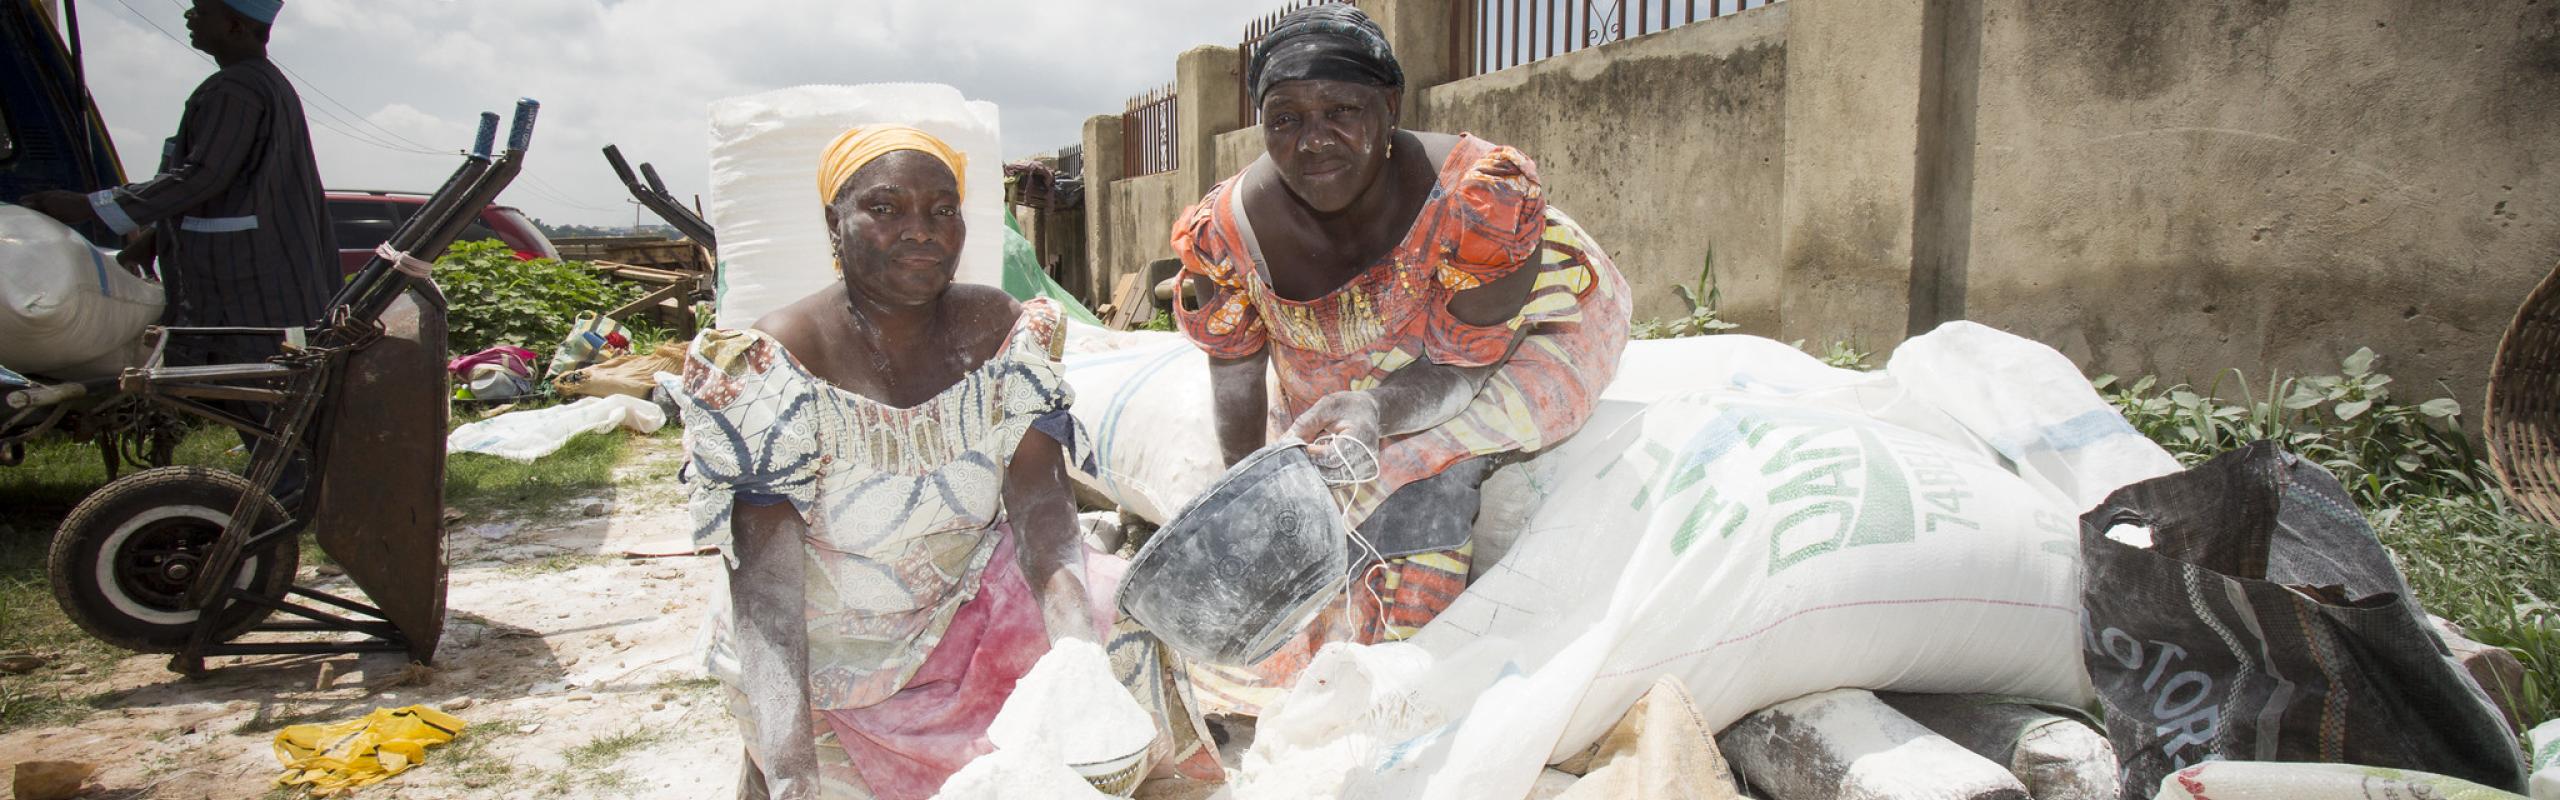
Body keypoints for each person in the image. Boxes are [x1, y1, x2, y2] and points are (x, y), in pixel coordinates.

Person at [670, 125, 1217, 800]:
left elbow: (1043, 511)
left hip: (965, 613)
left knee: (1117, 617)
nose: (921, 230)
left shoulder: (998, 331)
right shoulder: (776, 362)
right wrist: (790, 770)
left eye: (941, 210)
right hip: (830, 662)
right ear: (831, 222)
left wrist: (1076, 659)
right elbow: (767, 591)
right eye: (885, 208)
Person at [1169, 4, 1632, 714]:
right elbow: (1234, 365)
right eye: (1285, 119)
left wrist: (1376, 410)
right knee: (1313, 481)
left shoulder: (1482, 203)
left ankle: (1396, 685)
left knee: (1412, 471)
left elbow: (1461, 366)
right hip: (1350, 359)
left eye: (1342, 111)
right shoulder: (1229, 232)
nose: (1312, 142)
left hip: (1507, 341)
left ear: (1390, 109)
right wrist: (1248, 487)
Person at [19, 0, 335, 348]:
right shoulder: (262, 85)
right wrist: (152, 241)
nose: (188, 16)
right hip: (252, 283)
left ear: (235, 27)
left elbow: (203, 177)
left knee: (234, 385)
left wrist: (89, 206)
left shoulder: (236, 89)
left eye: (200, 11)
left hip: (238, 287)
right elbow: (220, 185)